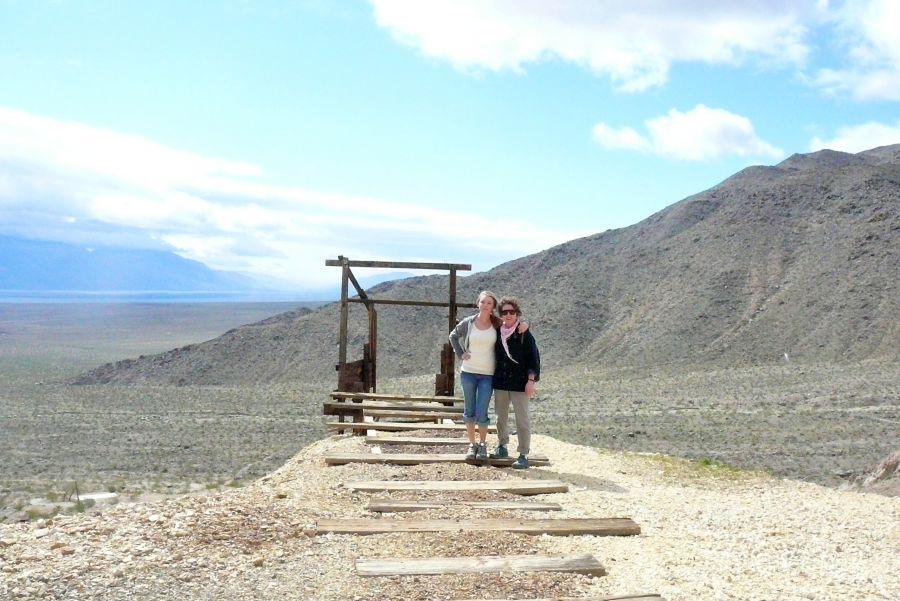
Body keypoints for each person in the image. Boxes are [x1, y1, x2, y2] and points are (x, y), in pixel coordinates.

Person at [449, 290, 500, 461]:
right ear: (478, 303)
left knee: (482, 411)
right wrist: (461, 353)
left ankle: (483, 444)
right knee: (469, 409)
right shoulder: (468, 322)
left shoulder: (497, 324)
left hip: (488, 374)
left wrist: (525, 325)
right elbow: (453, 336)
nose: (485, 305)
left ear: (493, 306)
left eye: (489, 303)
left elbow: (512, 329)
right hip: (468, 372)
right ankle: (472, 445)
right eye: (483, 302)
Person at [490, 297, 540, 469]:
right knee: (500, 418)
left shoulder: (524, 334)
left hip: (520, 384)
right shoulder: (497, 332)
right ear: (500, 314)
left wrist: (531, 380)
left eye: (512, 312)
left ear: (517, 313)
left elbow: (533, 359)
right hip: (501, 382)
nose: (508, 315)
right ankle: (502, 446)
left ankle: (523, 454)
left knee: (522, 420)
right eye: (504, 312)